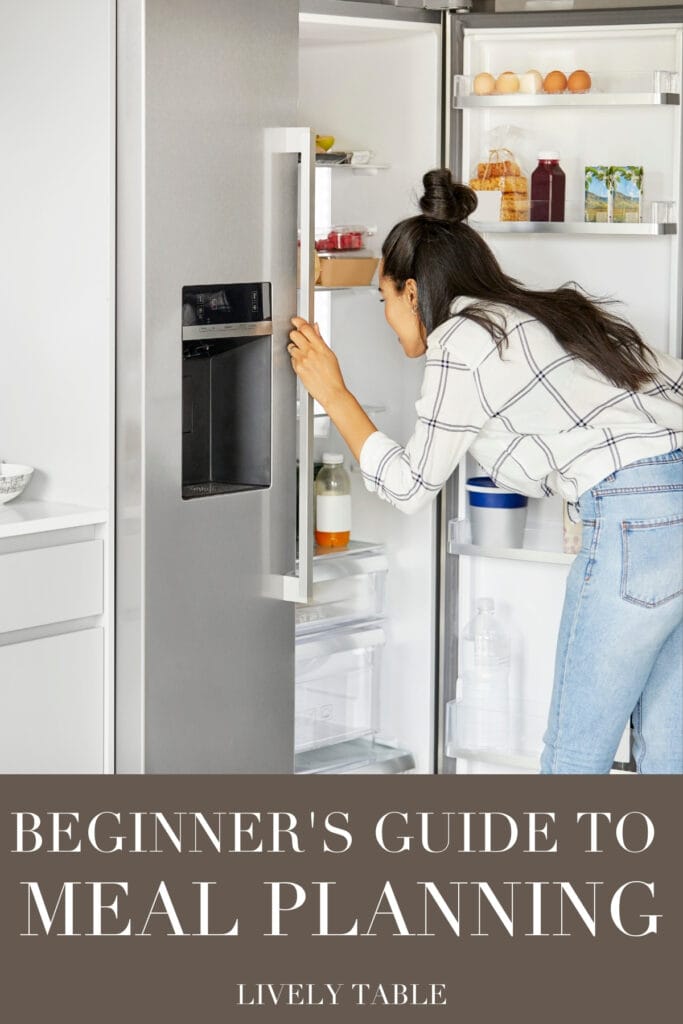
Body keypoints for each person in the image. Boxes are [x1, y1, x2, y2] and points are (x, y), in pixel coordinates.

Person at [288, 168, 683, 775]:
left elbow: (412, 484)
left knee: (576, 755)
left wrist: (334, 393)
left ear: (413, 292)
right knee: (668, 748)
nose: (387, 319)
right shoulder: (543, 313)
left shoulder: (462, 341)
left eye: (384, 300)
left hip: (634, 518)